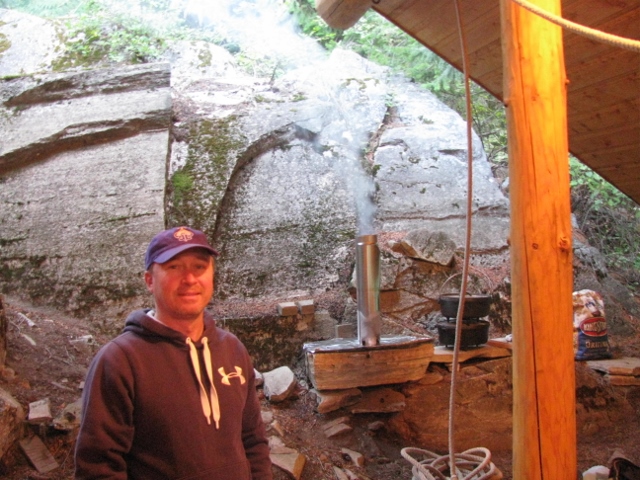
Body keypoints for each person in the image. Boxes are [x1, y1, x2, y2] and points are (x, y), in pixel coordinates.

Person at [75, 226, 272, 479]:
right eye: (174, 267)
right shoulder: (119, 361)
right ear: (149, 280)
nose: (189, 279)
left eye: (199, 267)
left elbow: (253, 440)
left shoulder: (232, 349)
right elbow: (99, 468)